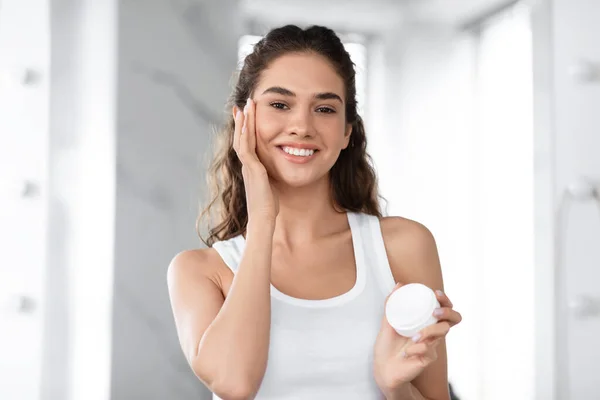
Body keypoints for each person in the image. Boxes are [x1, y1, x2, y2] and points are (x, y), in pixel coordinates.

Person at [167, 25, 462, 400]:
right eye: (279, 104)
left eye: (324, 109)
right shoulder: (200, 272)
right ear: (243, 120)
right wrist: (262, 222)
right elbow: (235, 384)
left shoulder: (403, 246)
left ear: (346, 132)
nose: (302, 126)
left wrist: (396, 384)